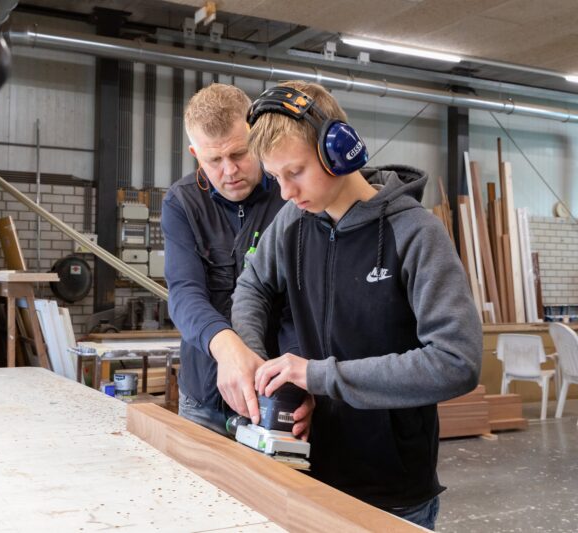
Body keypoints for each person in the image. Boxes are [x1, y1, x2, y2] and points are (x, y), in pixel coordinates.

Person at [231, 80, 482, 530]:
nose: (285, 192)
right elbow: (252, 287)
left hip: (392, 492)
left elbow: (456, 361)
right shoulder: (293, 221)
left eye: (296, 172)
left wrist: (318, 375)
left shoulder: (416, 235)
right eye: (275, 178)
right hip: (306, 473)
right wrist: (260, 369)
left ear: (339, 149)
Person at [161, 83, 309, 437]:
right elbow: (184, 292)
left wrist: (297, 384)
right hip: (205, 398)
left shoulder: (292, 195)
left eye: (239, 154)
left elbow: (303, 300)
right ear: (196, 154)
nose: (229, 171)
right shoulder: (181, 203)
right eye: (214, 160)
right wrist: (226, 347)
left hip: (279, 395)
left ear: (255, 136)